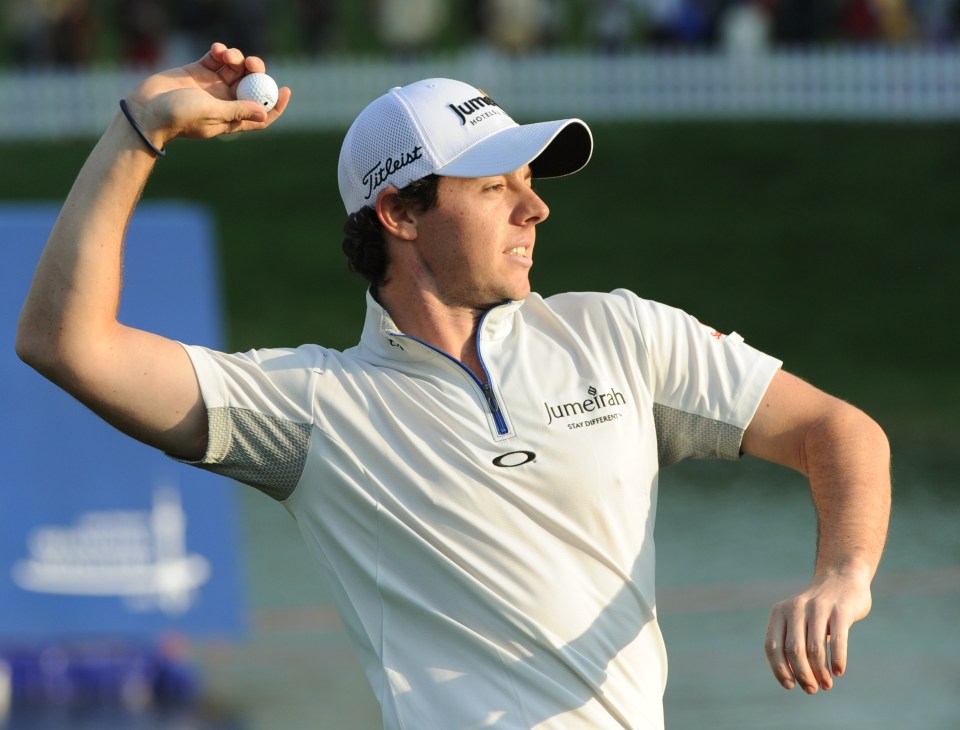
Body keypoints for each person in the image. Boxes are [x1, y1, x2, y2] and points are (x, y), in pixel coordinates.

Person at [16, 43, 891, 730]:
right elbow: (65, 343)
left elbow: (838, 430)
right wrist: (142, 129)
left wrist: (843, 576)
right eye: (495, 187)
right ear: (399, 213)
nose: (534, 208)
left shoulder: (620, 333)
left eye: (530, 183)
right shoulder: (314, 410)